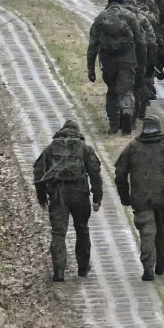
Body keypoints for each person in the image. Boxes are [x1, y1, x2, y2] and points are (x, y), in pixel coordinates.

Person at [115, 116, 164, 281]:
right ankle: (161, 263)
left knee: (147, 232)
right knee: (162, 230)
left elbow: (120, 174)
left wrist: (124, 196)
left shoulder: (133, 147)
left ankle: (148, 267)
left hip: (141, 199)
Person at [33, 119, 104, 281]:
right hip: (80, 194)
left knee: (58, 233)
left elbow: (38, 172)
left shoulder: (51, 148)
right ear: (77, 132)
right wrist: (97, 198)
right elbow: (95, 174)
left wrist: (41, 196)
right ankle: (83, 268)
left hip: (58, 195)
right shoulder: (84, 149)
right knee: (82, 229)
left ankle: (59, 272)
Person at [88, 0, 146, 134]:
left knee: (112, 91)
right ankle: (126, 111)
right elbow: (141, 42)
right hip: (127, 60)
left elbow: (93, 44)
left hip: (108, 61)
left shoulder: (101, 17)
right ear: (121, 1)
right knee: (126, 90)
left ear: (108, 1)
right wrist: (141, 63)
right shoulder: (130, 16)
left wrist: (91, 68)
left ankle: (114, 125)